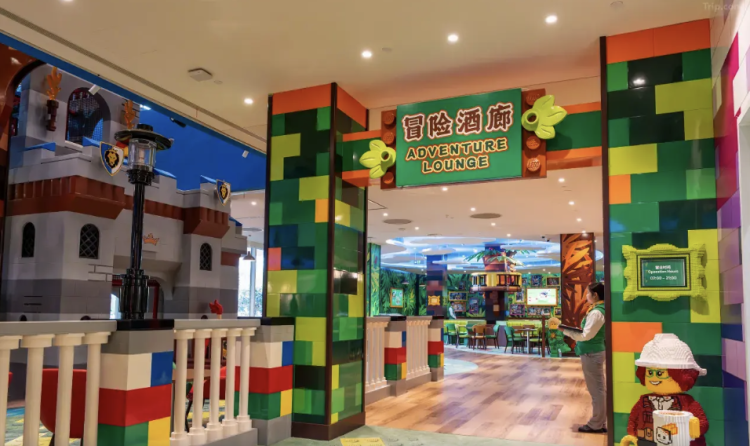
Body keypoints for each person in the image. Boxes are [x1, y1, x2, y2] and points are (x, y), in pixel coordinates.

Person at [561, 282, 606, 434]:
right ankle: (599, 421)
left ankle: (596, 424)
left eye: (588, 293)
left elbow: (586, 335)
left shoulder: (597, 312)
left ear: (595, 295)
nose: (586, 296)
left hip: (591, 352)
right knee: (598, 388)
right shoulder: (599, 309)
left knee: (597, 390)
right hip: (593, 351)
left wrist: (566, 331)